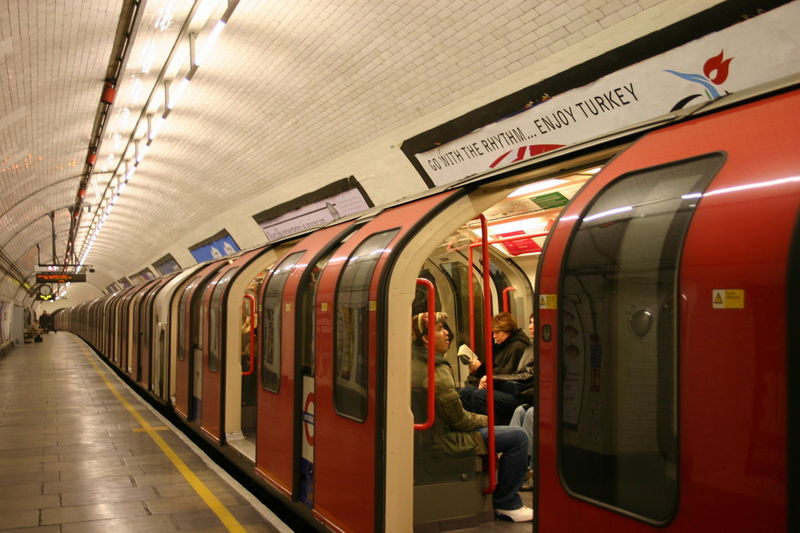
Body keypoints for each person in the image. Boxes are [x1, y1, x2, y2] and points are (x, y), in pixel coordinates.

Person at [411, 311, 533, 522]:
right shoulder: (437, 372)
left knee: (470, 395)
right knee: (519, 437)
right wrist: (487, 420)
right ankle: (507, 503)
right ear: (426, 338)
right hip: (446, 438)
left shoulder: (415, 363)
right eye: (440, 329)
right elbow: (460, 420)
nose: (447, 333)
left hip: (435, 433)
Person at [460, 312, 532, 424]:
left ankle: (491, 429)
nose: (494, 336)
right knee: (464, 392)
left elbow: (507, 373)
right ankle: (472, 428)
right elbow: (494, 368)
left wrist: (483, 372)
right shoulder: (501, 347)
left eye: (497, 332)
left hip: (514, 392)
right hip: (500, 386)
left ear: (507, 330)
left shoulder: (518, 347)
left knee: (479, 395)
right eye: (493, 333)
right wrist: (478, 371)